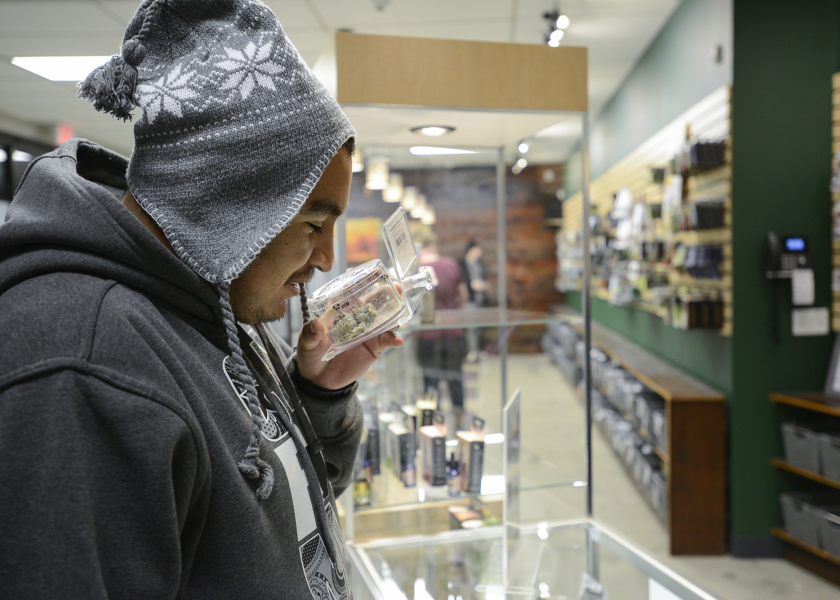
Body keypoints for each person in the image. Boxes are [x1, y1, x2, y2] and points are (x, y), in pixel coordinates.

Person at [0, 1, 402, 598]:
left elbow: (274, 521)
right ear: (229, 203)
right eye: (314, 225)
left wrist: (319, 391)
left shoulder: (217, 292)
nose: (324, 262)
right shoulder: (82, 366)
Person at [413, 226, 468, 424]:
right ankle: (460, 420)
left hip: (427, 334)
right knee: (456, 377)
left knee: (430, 381)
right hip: (453, 331)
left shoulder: (416, 270)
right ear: (433, 244)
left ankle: (432, 424)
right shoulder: (451, 264)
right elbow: (463, 295)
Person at [458, 239, 489, 361]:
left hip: (480, 299)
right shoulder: (462, 264)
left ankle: (476, 349)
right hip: (469, 300)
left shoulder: (479, 264)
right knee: (470, 327)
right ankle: (471, 351)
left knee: (479, 327)